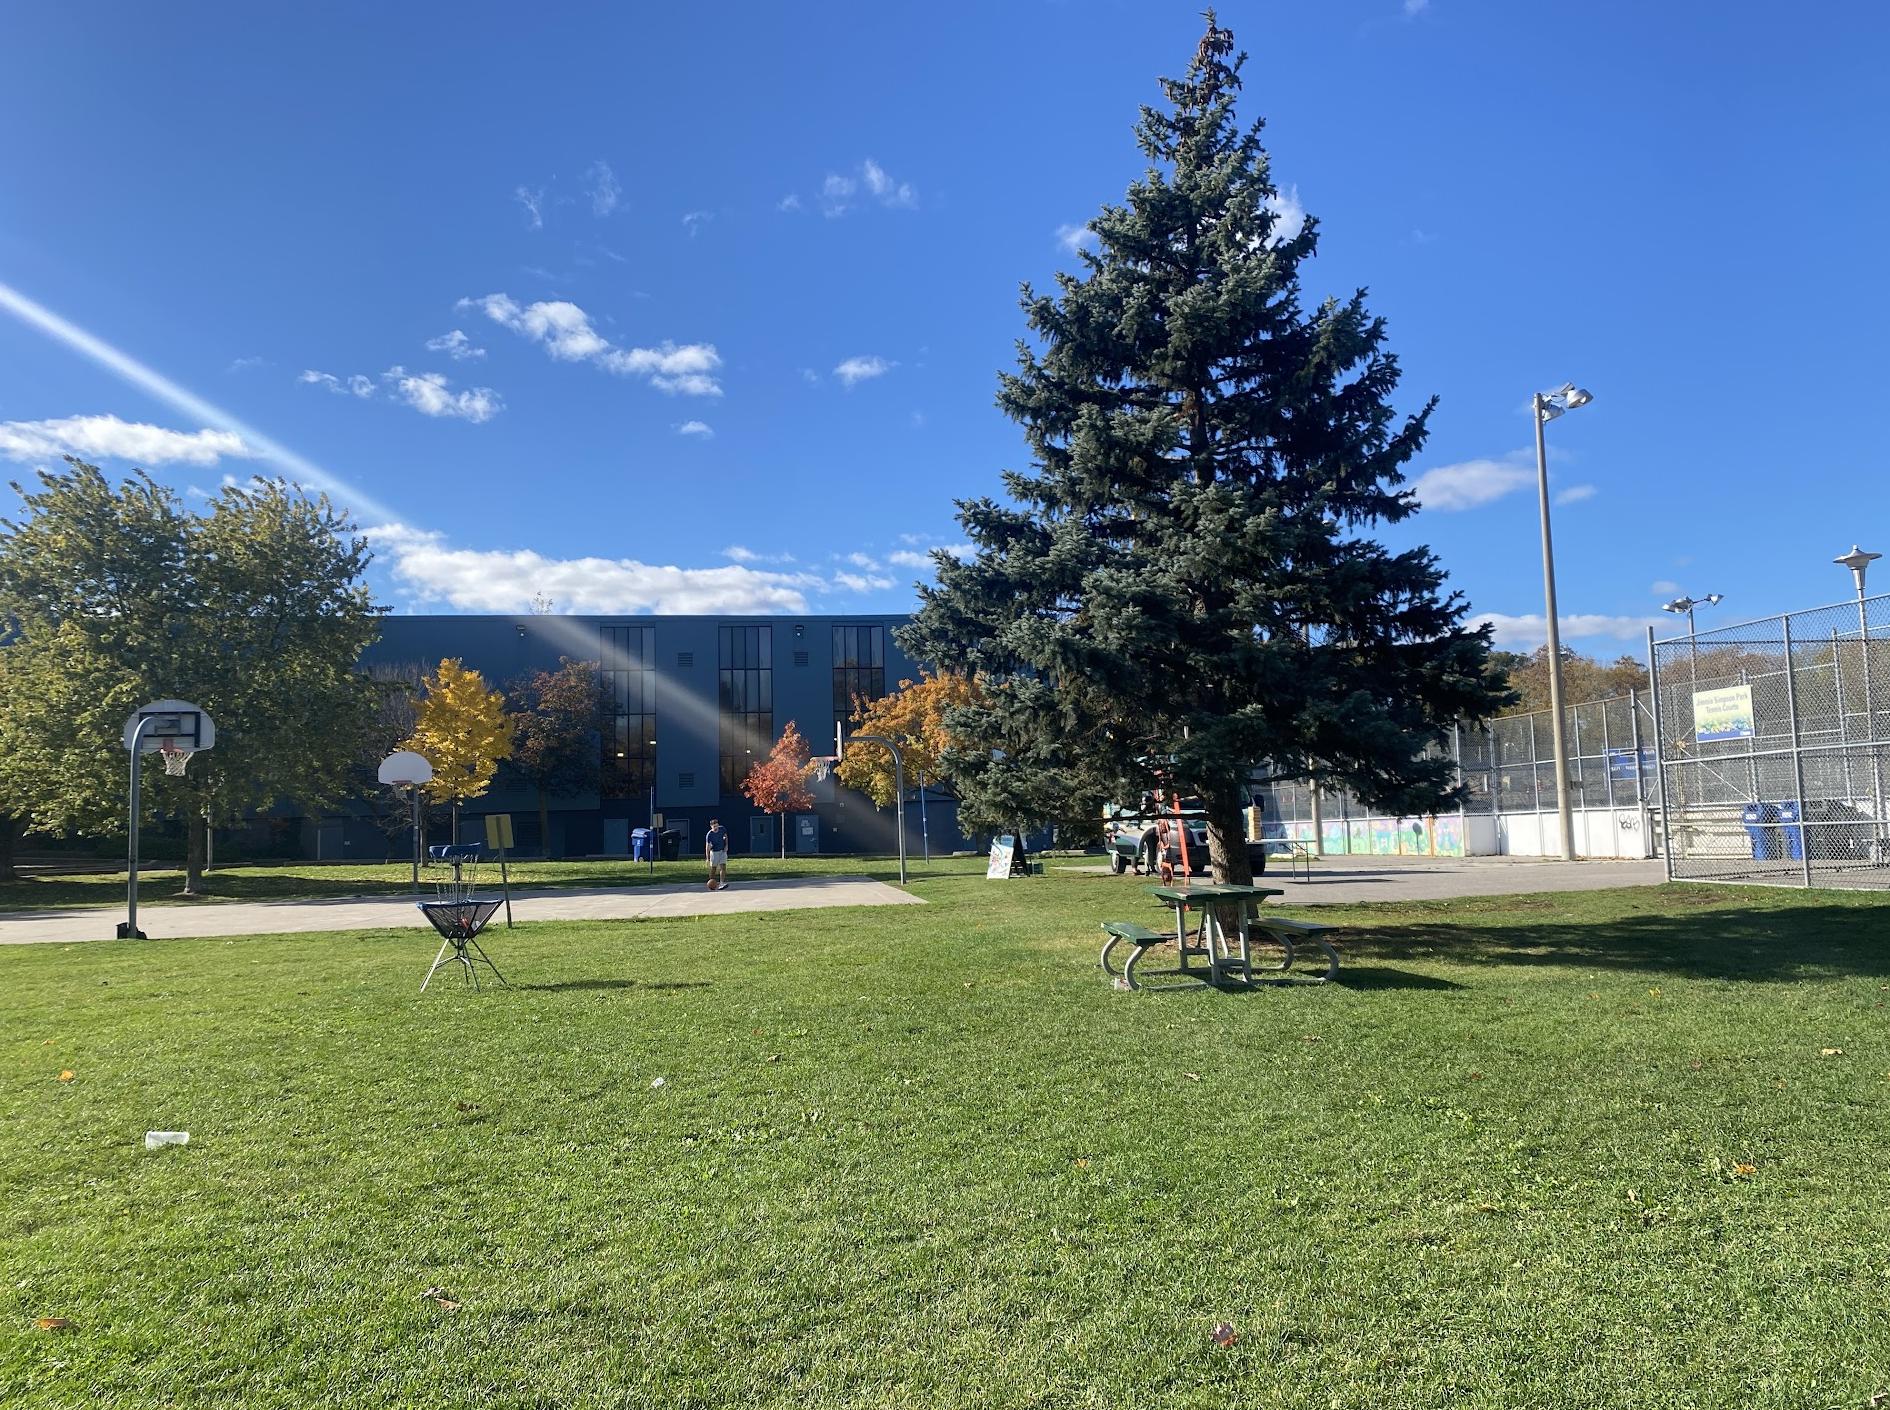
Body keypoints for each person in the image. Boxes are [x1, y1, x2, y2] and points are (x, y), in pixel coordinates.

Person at [704, 817, 729, 890]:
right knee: (713, 868)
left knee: (723, 866)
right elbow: (707, 847)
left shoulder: (722, 829)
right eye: (714, 826)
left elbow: (726, 836)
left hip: (722, 851)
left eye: (717, 826)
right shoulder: (709, 835)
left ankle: (721, 883)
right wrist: (707, 858)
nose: (716, 828)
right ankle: (711, 883)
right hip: (714, 852)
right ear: (711, 826)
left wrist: (726, 845)